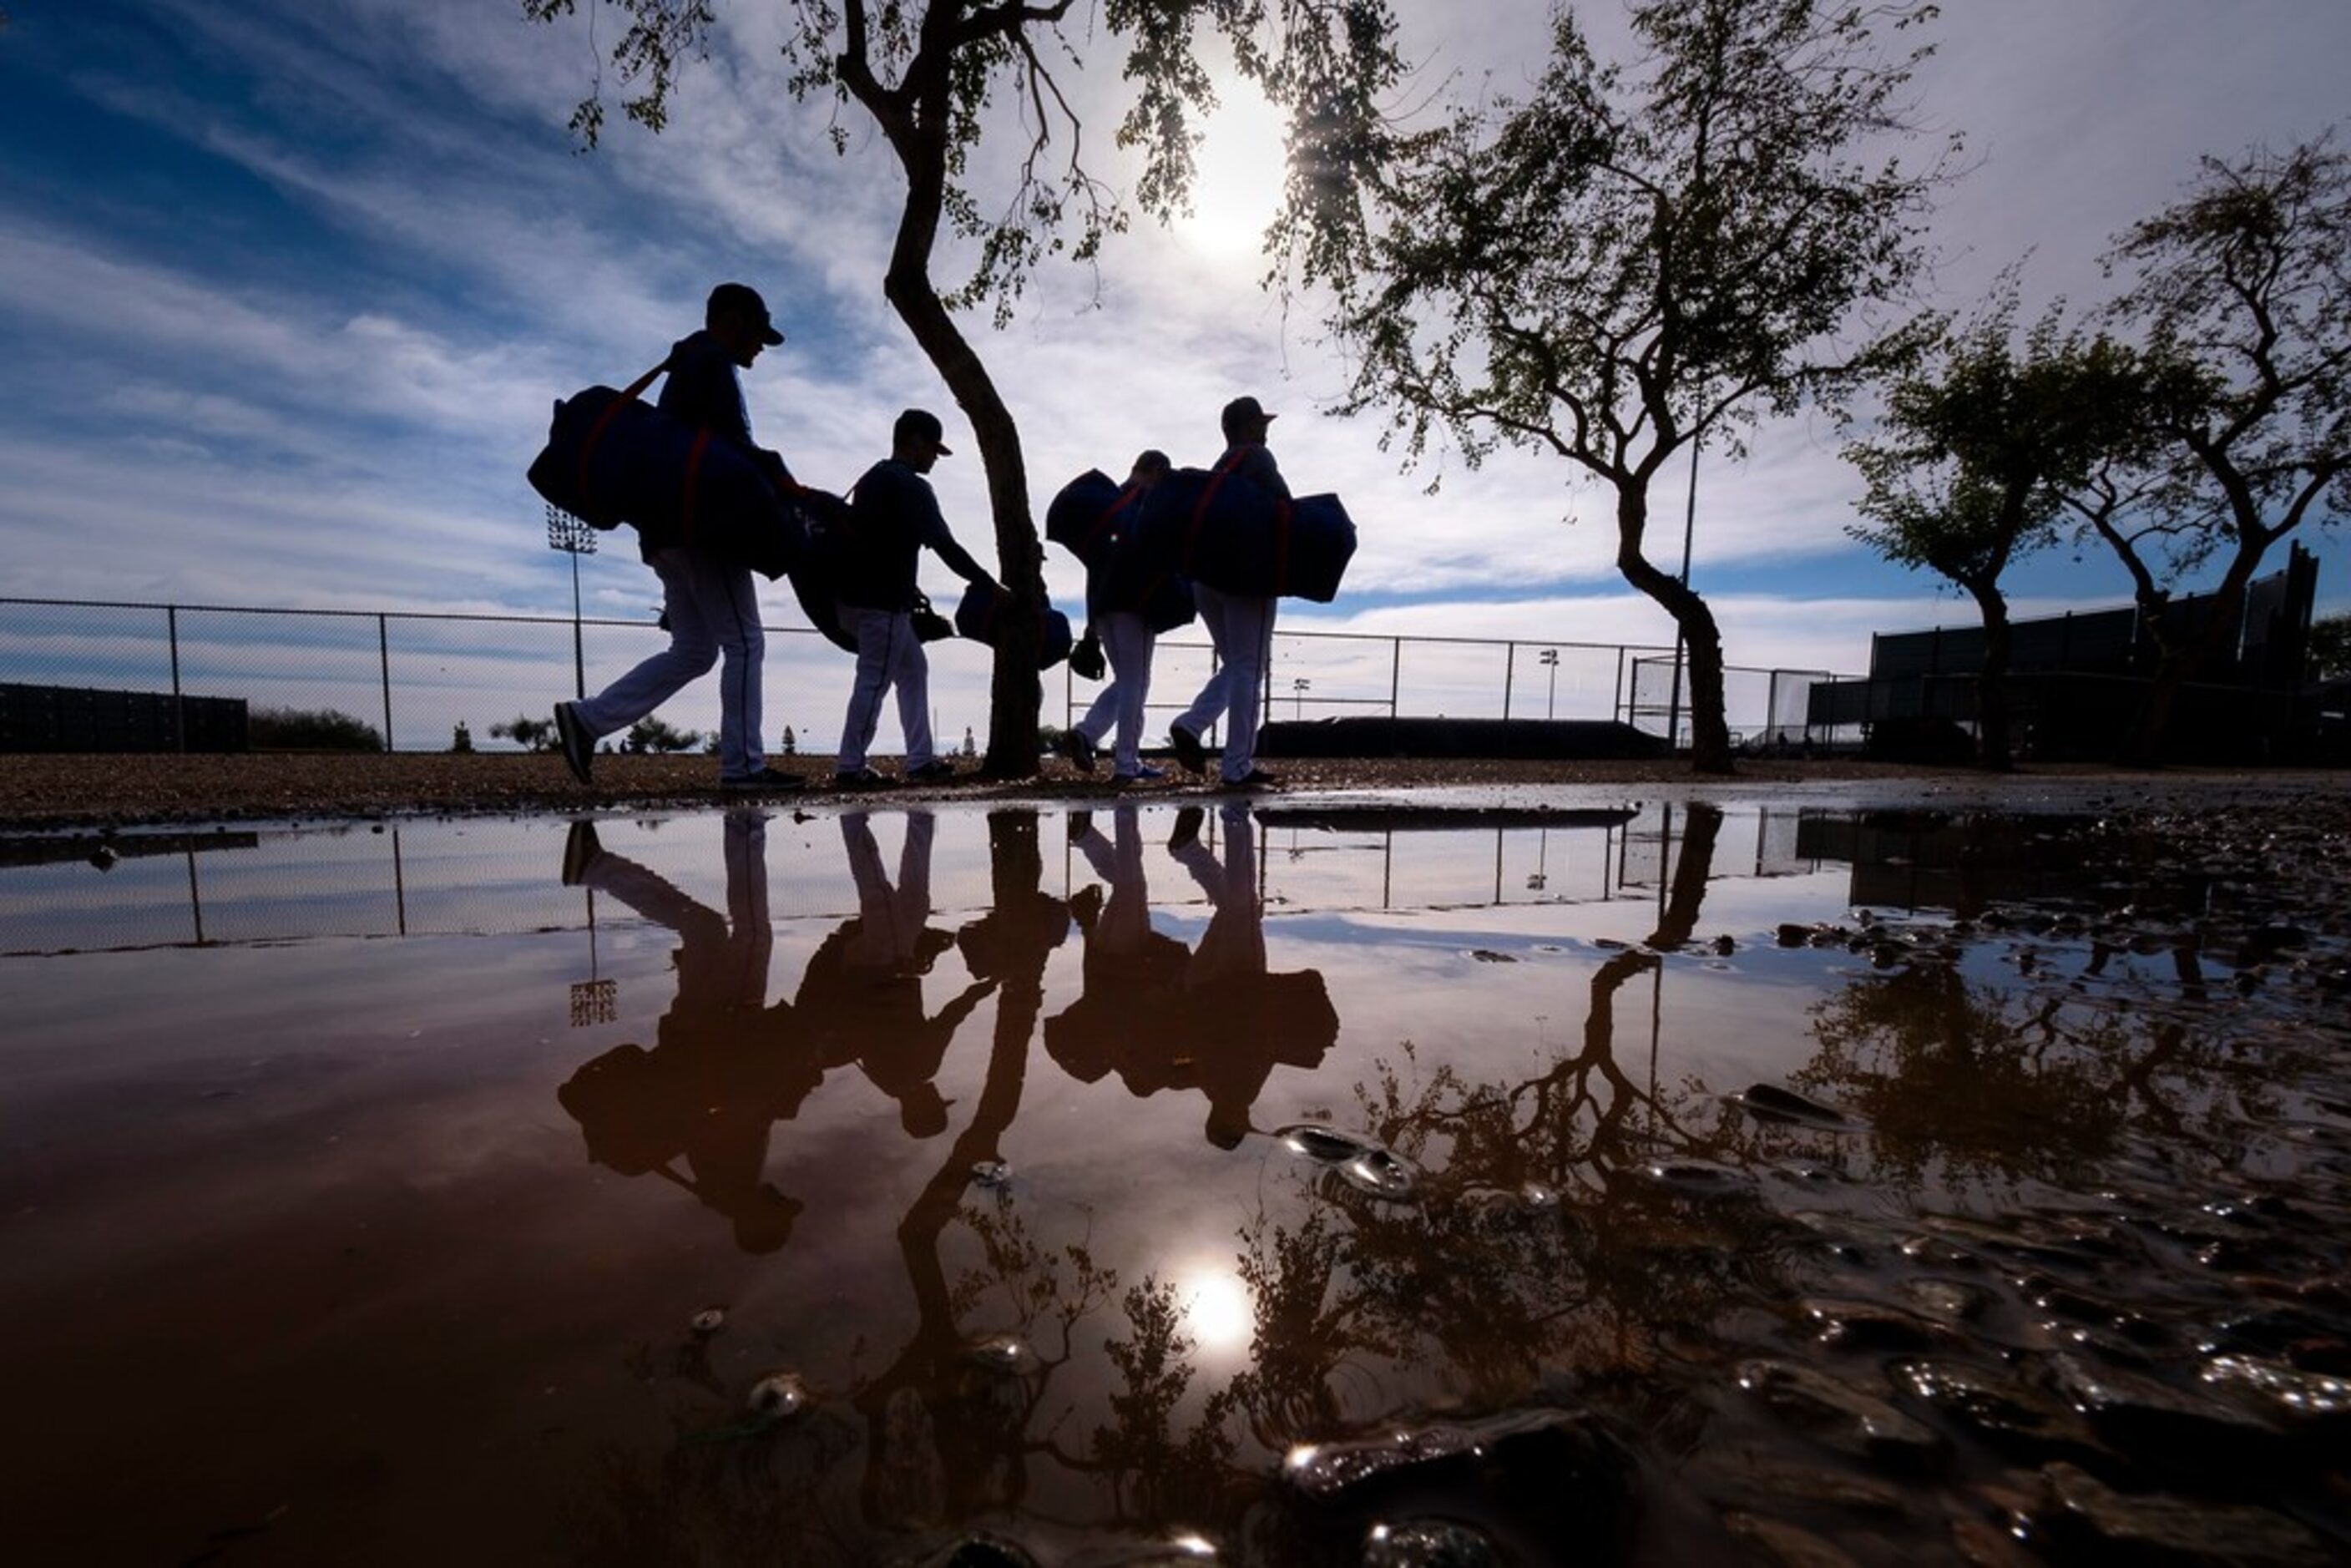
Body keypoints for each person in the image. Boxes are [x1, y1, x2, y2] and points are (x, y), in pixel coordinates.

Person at [553, 282, 802, 792]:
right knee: (746, 642)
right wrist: (787, 488)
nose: (760, 345)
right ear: (732, 320)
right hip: (703, 530)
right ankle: (743, 768)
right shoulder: (712, 362)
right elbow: (735, 452)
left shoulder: (685, 364)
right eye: (758, 333)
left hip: (664, 533)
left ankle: (587, 720)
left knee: (695, 649)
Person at [832, 408, 998, 787]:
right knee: (874, 681)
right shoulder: (910, 484)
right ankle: (850, 767)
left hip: (861, 595)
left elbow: (879, 540)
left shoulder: (872, 477)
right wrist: (989, 584)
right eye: (933, 450)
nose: (935, 459)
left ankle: (921, 760)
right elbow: (945, 545)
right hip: (881, 600)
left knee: (912, 669)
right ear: (916, 441)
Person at [1169, 397, 1287, 789]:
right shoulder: (1257, 458)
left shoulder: (1218, 470)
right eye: (1260, 423)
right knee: (1251, 667)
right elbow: (1284, 505)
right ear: (1246, 429)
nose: (1266, 430)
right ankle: (1237, 767)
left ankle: (1192, 724)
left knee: (1239, 665)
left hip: (1206, 581)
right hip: (1245, 578)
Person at [1063, 449, 1172, 782]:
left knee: (1127, 681)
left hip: (1105, 605)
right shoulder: (1143, 504)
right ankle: (1126, 762)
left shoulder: (1107, 506)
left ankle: (1086, 733)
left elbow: (1092, 568)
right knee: (1137, 682)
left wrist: (1092, 619)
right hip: (1133, 605)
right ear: (1155, 471)